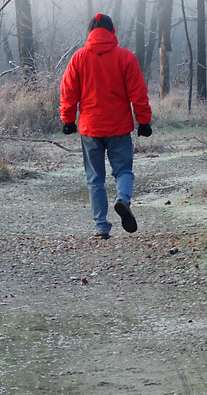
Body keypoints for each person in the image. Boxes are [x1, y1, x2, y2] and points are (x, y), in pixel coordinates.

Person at [59, 13, 153, 239]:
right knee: (124, 171)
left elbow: (68, 92)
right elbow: (138, 93)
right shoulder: (126, 58)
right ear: (112, 32)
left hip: (90, 128)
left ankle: (101, 227)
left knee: (95, 178)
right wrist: (144, 121)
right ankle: (123, 199)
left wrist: (68, 119)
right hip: (119, 127)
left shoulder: (78, 58)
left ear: (90, 32)